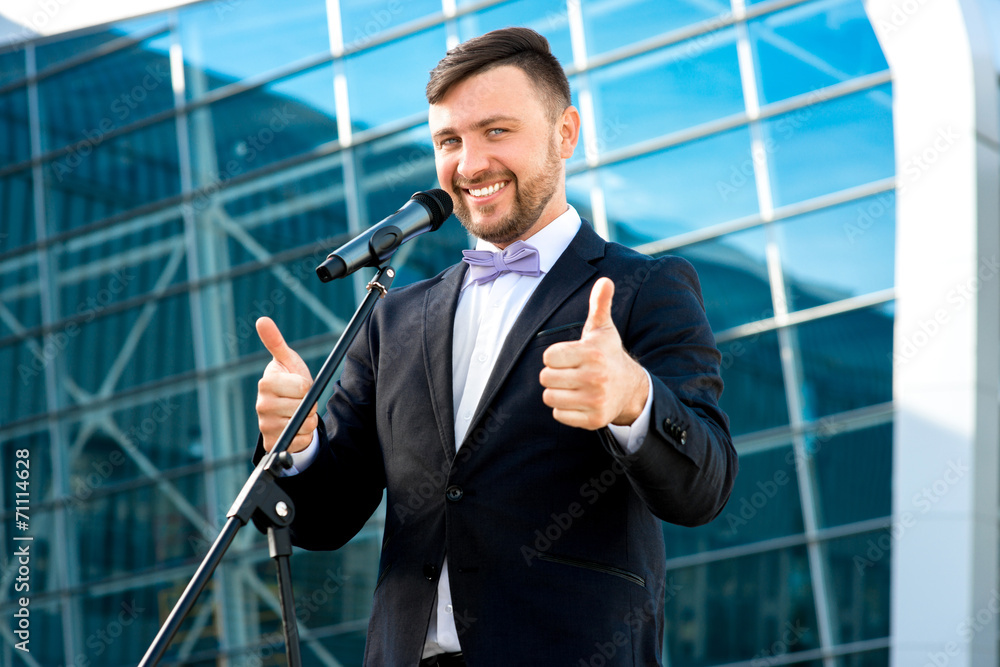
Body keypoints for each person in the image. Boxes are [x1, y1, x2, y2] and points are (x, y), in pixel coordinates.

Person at [252, 27, 737, 667]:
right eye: (449, 141)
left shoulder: (646, 289)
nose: (470, 163)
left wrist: (633, 399)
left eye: (496, 131)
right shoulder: (393, 319)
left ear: (565, 133)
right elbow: (322, 520)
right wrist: (299, 443)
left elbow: (706, 487)